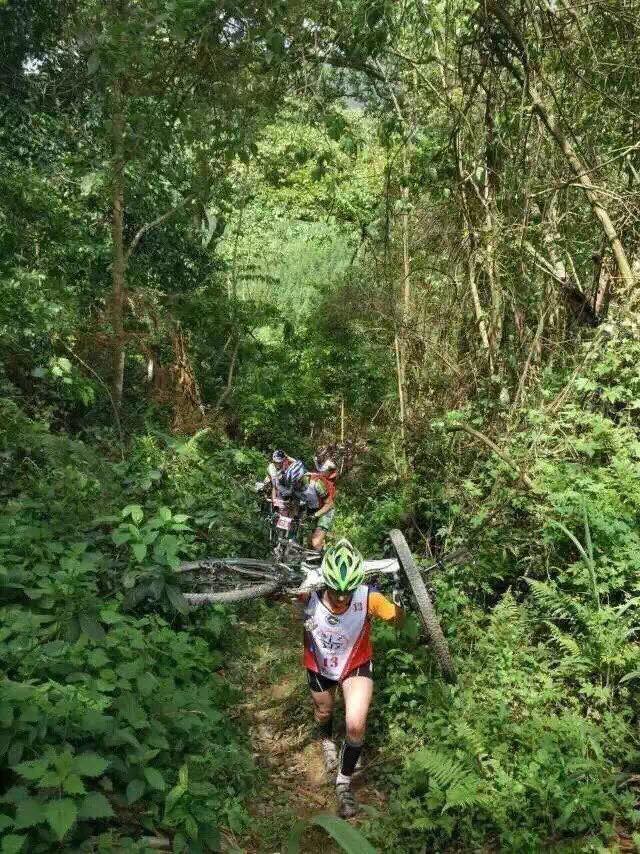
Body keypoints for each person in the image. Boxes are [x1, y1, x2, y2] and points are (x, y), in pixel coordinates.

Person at [300, 539, 403, 818]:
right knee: (323, 711)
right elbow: (276, 594)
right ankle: (327, 740)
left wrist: (402, 598)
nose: (343, 597)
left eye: (348, 591)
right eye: (336, 590)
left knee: (356, 725)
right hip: (319, 664)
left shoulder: (369, 597)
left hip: (355, 664)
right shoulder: (307, 594)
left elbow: (397, 620)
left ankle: (344, 783)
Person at [280, 460, 336, 550]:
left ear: (302, 477)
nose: (295, 485)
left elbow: (329, 504)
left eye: (297, 482)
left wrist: (315, 515)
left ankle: (324, 559)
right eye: (293, 483)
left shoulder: (316, 484)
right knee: (309, 544)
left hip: (326, 510)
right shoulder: (294, 486)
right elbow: (296, 505)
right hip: (311, 509)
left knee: (315, 542)